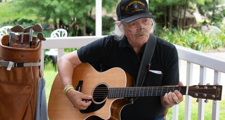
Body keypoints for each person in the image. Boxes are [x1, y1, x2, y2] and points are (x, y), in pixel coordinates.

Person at [57, 0, 183, 119]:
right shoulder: (107, 45)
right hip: (105, 117)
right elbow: (65, 60)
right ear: (120, 26)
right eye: (133, 24)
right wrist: (69, 91)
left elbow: (165, 101)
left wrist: (171, 100)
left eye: (145, 21)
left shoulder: (167, 51)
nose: (141, 28)